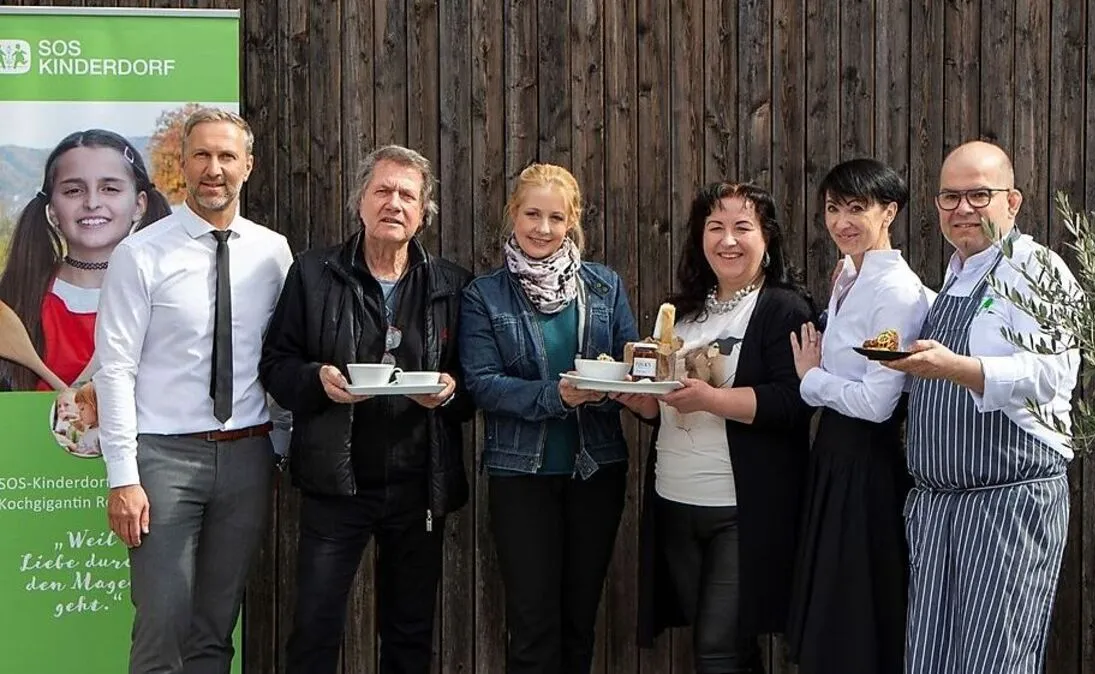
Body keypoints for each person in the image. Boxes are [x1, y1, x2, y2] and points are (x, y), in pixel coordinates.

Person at [260, 145, 474, 674]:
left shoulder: (452, 284)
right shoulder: (314, 273)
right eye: (382, 191)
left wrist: (450, 391)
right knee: (314, 630)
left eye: (407, 195)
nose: (393, 203)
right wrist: (317, 380)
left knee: (409, 635)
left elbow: (475, 384)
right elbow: (276, 365)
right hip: (337, 485)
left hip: (419, 485)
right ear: (361, 201)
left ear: (423, 212)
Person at [93, 108, 292, 673]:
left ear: (248, 166)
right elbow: (114, 370)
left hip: (248, 456)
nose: (214, 169)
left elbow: (282, 355)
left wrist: (281, 445)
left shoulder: (273, 252)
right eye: (201, 155)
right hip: (163, 460)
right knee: (162, 626)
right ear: (181, 164)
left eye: (227, 156)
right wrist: (123, 477)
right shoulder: (140, 253)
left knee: (215, 631)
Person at [883, 140, 1080, 674]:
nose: (963, 209)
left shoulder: (1037, 271)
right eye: (950, 197)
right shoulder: (954, 274)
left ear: (1011, 202)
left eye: (979, 195)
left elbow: (1052, 374)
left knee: (995, 660)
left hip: (1007, 505)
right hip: (938, 510)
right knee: (933, 659)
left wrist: (958, 368)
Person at [622, 182, 819, 674]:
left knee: (716, 651)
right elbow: (667, 406)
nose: (727, 240)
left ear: (767, 239)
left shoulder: (786, 308)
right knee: (727, 649)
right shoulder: (681, 312)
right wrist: (641, 404)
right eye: (715, 227)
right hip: (674, 501)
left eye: (742, 227)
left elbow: (795, 401)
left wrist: (711, 400)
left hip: (742, 509)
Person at [458, 163, 638, 674]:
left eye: (556, 218)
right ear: (513, 214)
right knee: (533, 628)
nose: (542, 228)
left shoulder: (603, 286)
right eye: (532, 214)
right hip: (522, 479)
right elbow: (483, 384)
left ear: (571, 221)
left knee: (579, 624)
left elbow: (631, 367)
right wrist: (556, 395)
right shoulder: (484, 295)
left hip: (597, 473)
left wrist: (621, 381)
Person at [785, 159, 930, 673]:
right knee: (833, 608)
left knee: (853, 615)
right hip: (834, 457)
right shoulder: (850, 274)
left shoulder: (894, 293)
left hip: (866, 464)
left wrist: (811, 380)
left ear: (889, 212)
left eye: (856, 208)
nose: (841, 222)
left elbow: (876, 402)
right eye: (832, 209)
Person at [0, 129, 171, 391]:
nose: (92, 203)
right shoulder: (14, 301)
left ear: (139, 205)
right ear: (52, 210)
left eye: (110, 189)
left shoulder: (169, 296)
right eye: (73, 191)